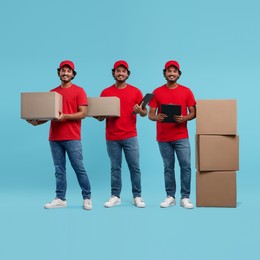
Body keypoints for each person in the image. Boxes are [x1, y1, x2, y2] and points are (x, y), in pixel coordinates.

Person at [27, 60, 92, 210]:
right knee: (59, 169)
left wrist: (65, 116)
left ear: (73, 74)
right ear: (59, 73)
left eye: (68, 71)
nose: (65, 73)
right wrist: (36, 122)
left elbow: (83, 114)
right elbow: (49, 116)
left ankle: (87, 197)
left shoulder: (79, 91)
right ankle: (60, 198)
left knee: (78, 167)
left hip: (72, 137)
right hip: (55, 137)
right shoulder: (52, 93)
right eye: (63, 70)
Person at [95, 60, 147, 208]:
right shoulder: (106, 92)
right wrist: (97, 115)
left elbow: (145, 113)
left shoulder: (136, 91)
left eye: (123, 71)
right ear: (114, 73)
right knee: (115, 168)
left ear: (128, 74)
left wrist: (139, 111)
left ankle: (137, 196)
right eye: (118, 71)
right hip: (112, 137)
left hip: (130, 136)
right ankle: (115, 196)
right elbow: (100, 117)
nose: (121, 73)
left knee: (134, 167)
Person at [148, 60, 196, 209]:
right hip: (163, 137)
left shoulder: (187, 91)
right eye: (169, 71)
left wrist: (184, 118)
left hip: (181, 135)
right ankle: (170, 196)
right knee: (168, 167)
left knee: (186, 166)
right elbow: (150, 114)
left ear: (179, 74)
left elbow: (194, 112)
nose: (172, 73)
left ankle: (185, 197)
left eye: (174, 71)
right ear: (165, 73)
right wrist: (157, 117)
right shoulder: (156, 92)